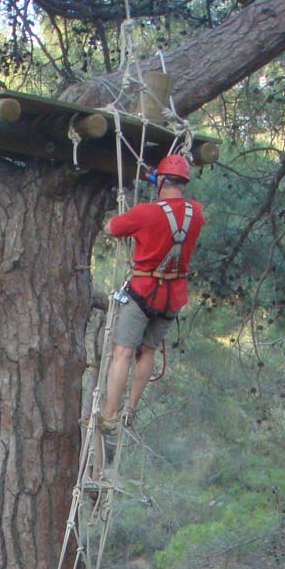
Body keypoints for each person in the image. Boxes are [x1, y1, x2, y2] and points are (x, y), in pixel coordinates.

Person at [99, 154, 204, 430]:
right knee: (147, 351)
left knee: (123, 352)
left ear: (161, 182)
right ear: (184, 183)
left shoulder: (145, 213)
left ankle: (109, 414)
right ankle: (130, 409)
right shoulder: (196, 213)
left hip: (143, 292)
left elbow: (110, 228)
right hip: (173, 297)